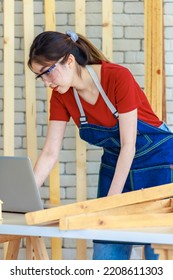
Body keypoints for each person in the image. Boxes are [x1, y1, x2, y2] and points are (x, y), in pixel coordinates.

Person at [28, 30, 173, 260]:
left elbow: (129, 144)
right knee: (107, 249)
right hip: (115, 163)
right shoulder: (61, 95)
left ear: (69, 61)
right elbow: (49, 152)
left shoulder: (117, 77)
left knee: (158, 251)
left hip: (157, 161)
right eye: (40, 77)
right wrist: (27, 195)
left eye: (47, 73)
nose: (46, 83)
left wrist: (111, 201)